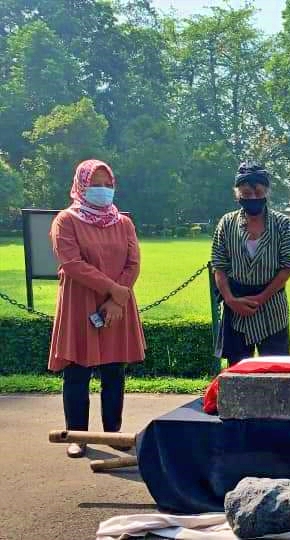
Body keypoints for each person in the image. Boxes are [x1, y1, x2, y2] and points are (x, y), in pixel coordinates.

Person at [48, 159, 145, 458]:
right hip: (81, 304)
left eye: (107, 184)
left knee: (114, 371)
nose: (102, 190)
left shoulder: (123, 222)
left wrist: (117, 299)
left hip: (117, 306)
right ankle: (76, 435)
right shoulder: (66, 220)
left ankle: (112, 433)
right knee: (77, 371)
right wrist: (115, 290)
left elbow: (133, 263)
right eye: (95, 184)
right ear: (81, 185)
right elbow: (72, 264)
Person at [211, 162, 290, 366]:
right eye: (246, 193)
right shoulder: (227, 223)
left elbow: (289, 264)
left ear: (266, 193)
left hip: (272, 309)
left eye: (258, 192)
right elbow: (219, 265)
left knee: (277, 371)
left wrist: (262, 297)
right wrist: (231, 300)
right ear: (237, 194)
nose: (252, 198)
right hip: (236, 310)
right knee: (237, 373)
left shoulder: (283, 224)